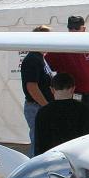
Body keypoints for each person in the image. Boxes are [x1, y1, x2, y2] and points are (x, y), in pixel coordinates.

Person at [45, 15, 89, 131]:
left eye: (76, 28)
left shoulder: (88, 47)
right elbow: (45, 67)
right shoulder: (61, 47)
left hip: (87, 95)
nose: (73, 31)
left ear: (83, 29)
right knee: (72, 127)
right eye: (71, 28)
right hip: (69, 96)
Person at [19, 25, 53, 155]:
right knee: (38, 140)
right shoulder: (33, 59)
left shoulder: (41, 58)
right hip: (36, 107)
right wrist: (46, 106)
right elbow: (31, 87)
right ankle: (33, 169)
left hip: (40, 107)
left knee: (42, 139)